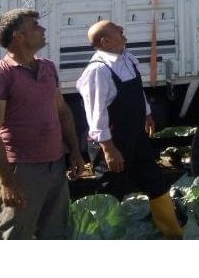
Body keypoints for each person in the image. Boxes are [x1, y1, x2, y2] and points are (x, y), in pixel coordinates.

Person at [0, 8, 86, 239]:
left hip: (55, 165)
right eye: (35, 26)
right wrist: (7, 181)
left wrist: (75, 151)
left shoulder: (47, 67)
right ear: (19, 36)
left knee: (55, 233)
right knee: (17, 234)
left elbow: (62, 112)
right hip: (22, 171)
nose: (43, 29)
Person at [75, 20, 184, 239]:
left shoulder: (127, 58)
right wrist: (108, 149)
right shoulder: (98, 71)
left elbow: (138, 93)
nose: (122, 31)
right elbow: (96, 115)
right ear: (105, 41)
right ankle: (102, 237)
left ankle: (173, 233)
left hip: (136, 137)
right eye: (117, 29)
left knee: (155, 181)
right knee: (110, 191)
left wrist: (147, 114)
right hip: (113, 142)